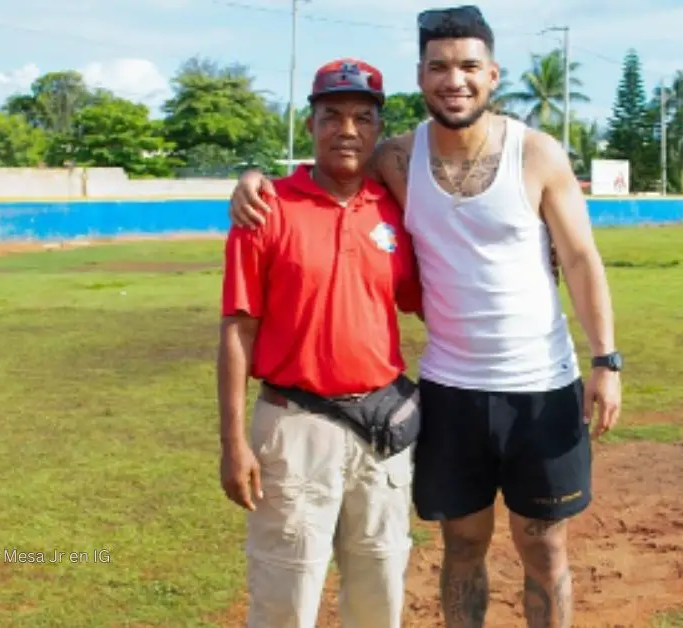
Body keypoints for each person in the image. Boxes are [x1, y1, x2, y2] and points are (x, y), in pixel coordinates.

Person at [225, 6, 622, 627]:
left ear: (492, 74)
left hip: (542, 384)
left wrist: (606, 359)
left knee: (544, 546)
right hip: (450, 391)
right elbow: (332, 164)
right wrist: (250, 176)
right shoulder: (395, 159)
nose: (453, 79)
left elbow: (578, 256)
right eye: (438, 67)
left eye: (468, 66)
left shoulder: (537, 154)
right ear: (421, 76)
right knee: (460, 546)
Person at [216, 57, 424, 628]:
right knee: (287, 596)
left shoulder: (395, 210)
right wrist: (234, 442)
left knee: (380, 592)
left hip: (382, 428)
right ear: (310, 124)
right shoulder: (266, 207)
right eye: (332, 115)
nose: (348, 130)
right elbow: (238, 328)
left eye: (363, 117)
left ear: (380, 131)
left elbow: (426, 300)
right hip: (294, 427)